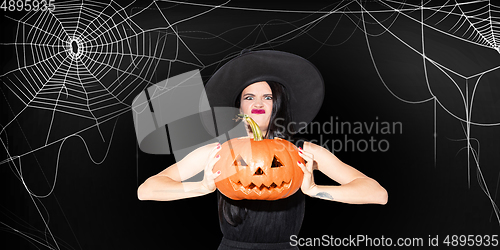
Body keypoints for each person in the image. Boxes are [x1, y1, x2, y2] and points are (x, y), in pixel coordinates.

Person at [137, 50, 388, 249]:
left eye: (267, 97)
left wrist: (315, 190)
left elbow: (378, 194)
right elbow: (147, 190)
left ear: (277, 104)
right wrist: (200, 187)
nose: (258, 103)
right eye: (249, 97)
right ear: (239, 108)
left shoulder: (302, 151)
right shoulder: (219, 152)